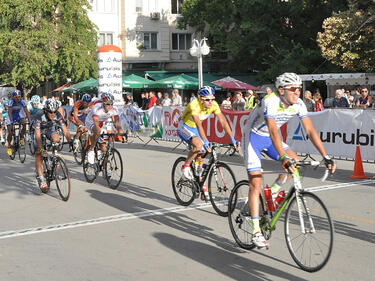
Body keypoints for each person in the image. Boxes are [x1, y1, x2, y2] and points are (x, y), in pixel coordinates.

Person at [242, 72, 336, 248]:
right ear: (281, 90)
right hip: (253, 138)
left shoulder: (299, 104)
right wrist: (283, 156)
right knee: (256, 181)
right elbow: (272, 129)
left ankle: (276, 189)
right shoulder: (271, 100)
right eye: (293, 89)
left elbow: (310, 131)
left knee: (296, 163)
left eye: (299, 89)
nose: (297, 92)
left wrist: (326, 156)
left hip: (271, 139)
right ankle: (255, 231)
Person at [177, 86, 239, 182]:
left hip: (195, 129)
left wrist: (232, 139)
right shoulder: (194, 105)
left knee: (202, 157)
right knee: (199, 145)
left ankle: (202, 187)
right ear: (200, 99)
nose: (210, 102)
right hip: (184, 127)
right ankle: (185, 166)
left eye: (212, 99)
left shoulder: (214, 105)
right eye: (207, 100)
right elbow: (198, 124)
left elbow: (223, 122)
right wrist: (205, 141)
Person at [33, 99, 73, 191]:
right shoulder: (40, 115)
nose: (53, 114)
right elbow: (38, 134)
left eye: (54, 112)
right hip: (38, 131)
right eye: (50, 112)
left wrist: (70, 142)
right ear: (46, 110)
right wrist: (41, 148)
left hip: (49, 129)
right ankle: (41, 179)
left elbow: (65, 130)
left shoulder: (58, 115)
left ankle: (54, 158)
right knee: (39, 153)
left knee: (57, 139)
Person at [85, 93, 124, 164]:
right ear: (103, 103)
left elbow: (117, 124)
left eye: (111, 104)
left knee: (103, 145)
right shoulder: (97, 108)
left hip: (101, 122)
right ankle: (91, 149)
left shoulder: (114, 109)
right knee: (97, 131)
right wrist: (98, 133)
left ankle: (103, 166)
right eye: (108, 104)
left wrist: (122, 133)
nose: (110, 106)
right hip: (91, 121)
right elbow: (96, 124)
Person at [6, 90, 31, 156]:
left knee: (24, 124)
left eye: (19, 96)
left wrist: (29, 120)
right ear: (13, 97)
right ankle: (9, 145)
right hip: (10, 116)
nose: (17, 98)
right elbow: (9, 112)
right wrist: (11, 121)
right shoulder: (11, 101)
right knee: (10, 132)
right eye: (16, 97)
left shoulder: (22, 101)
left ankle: (21, 138)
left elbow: (26, 111)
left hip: (18, 115)